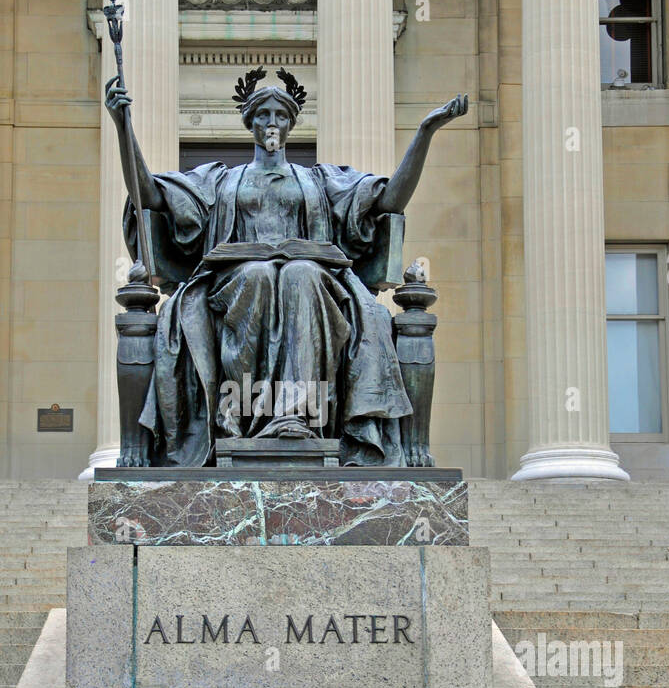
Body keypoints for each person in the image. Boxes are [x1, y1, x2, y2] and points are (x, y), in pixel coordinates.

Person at [105, 67, 468, 466]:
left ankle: (296, 416)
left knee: (301, 275)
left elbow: (389, 201)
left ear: (292, 124)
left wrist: (424, 133)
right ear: (250, 123)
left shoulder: (320, 180)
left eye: (280, 116)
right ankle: (237, 416)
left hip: (313, 279)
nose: (272, 123)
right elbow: (150, 194)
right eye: (263, 115)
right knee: (259, 275)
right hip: (235, 279)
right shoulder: (221, 180)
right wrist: (123, 127)